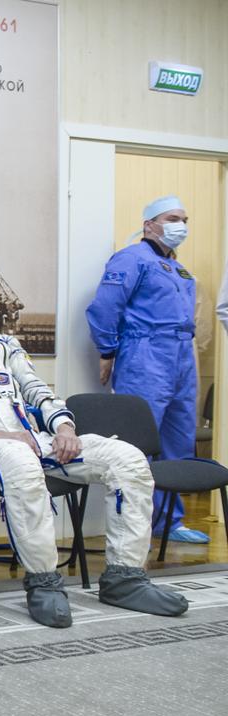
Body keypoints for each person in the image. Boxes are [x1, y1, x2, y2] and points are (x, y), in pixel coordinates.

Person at [0, 269, 188, 628]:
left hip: (32, 439)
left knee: (126, 459)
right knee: (20, 461)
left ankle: (124, 578)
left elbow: (39, 391)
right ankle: (44, 582)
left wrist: (64, 427)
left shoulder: (5, 345)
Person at [86, 196, 207, 544]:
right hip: (146, 353)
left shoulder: (178, 267)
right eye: (172, 218)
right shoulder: (130, 259)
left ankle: (170, 521)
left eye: (184, 218)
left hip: (182, 352)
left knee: (179, 437)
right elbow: (105, 307)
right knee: (139, 441)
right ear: (149, 224)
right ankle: (133, 519)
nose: (180, 225)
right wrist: (107, 350)